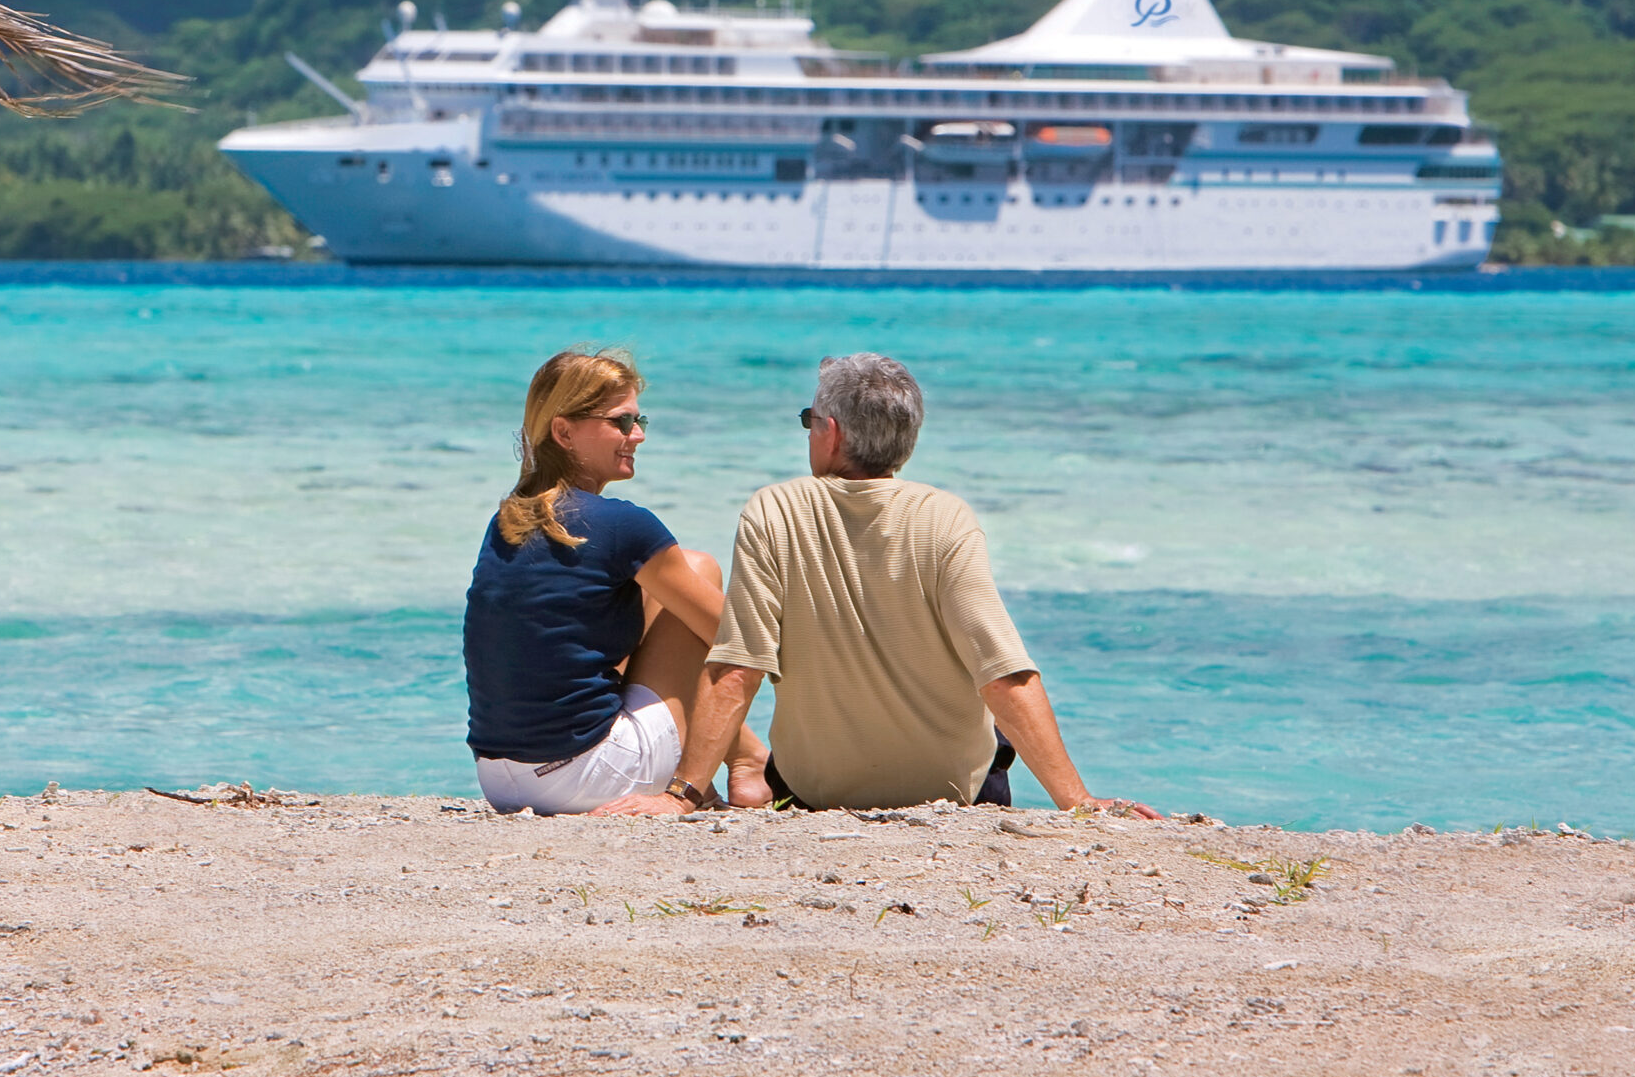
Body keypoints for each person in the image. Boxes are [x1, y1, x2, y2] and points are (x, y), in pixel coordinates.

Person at [597, 352, 1156, 818]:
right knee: (991, 732)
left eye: (808, 420)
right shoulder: (946, 516)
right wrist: (1077, 801)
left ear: (830, 433)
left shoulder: (774, 509)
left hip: (812, 793)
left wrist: (684, 794)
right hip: (950, 793)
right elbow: (1002, 673)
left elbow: (737, 668)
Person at [464, 347, 771, 814]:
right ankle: (725, 771)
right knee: (699, 571)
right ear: (564, 432)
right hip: (585, 775)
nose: (639, 435)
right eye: (622, 422)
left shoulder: (510, 518)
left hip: (498, 778)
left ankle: (747, 757)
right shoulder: (622, 525)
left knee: (666, 579)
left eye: (639, 419)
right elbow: (742, 645)